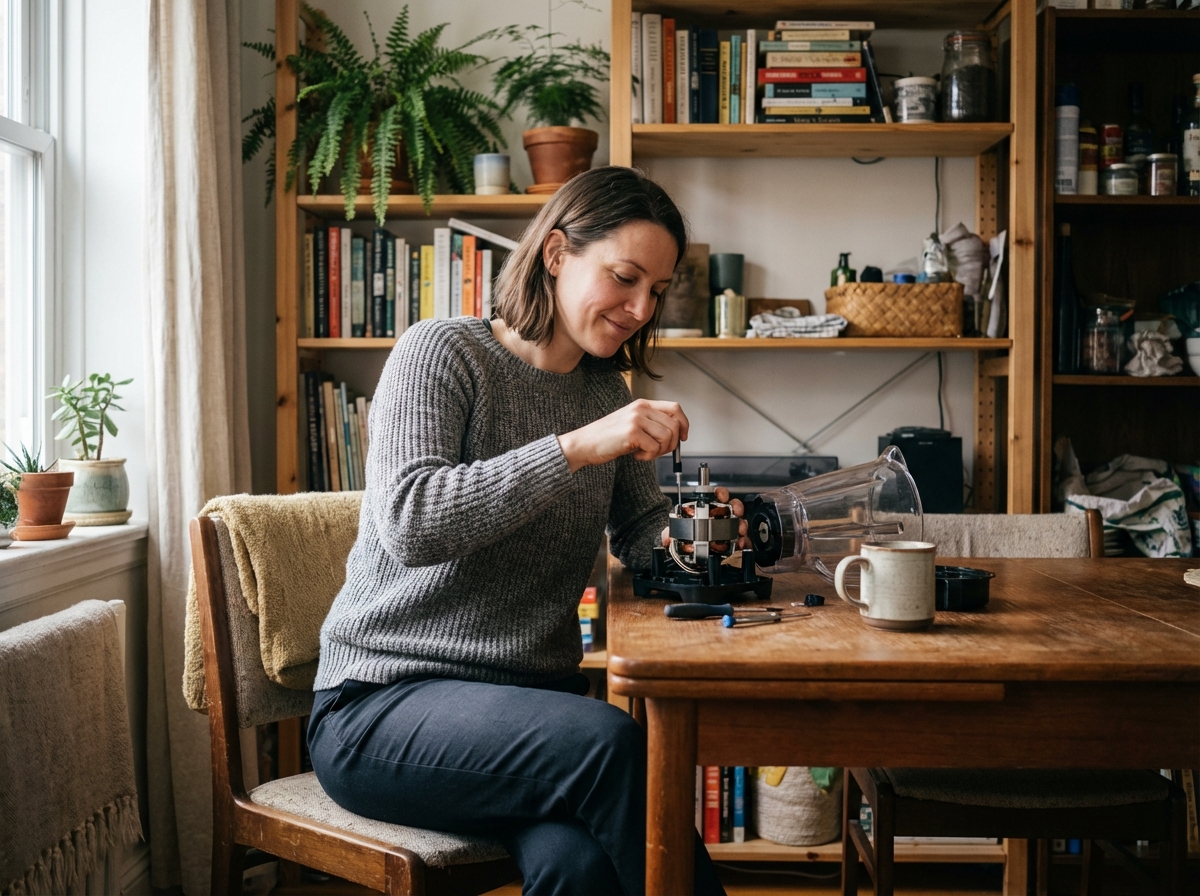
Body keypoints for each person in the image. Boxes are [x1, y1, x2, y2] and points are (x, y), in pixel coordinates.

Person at [308, 167, 736, 895]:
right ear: (558, 253)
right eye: (625, 278)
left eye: (656, 292)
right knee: (611, 743)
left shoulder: (604, 390)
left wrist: (708, 534)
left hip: (522, 717)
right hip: (379, 705)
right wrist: (577, 446)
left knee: (579, 869)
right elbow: (412, 521)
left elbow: (641, 535)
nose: (639, 308)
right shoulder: (441, 352)